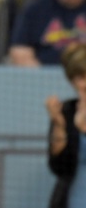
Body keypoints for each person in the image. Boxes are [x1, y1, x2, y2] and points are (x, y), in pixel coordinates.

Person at [46, 43, 86, 208]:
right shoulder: (66, 111)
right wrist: (59, 125)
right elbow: (59, 166)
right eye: (80, 78)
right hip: (75, 198)